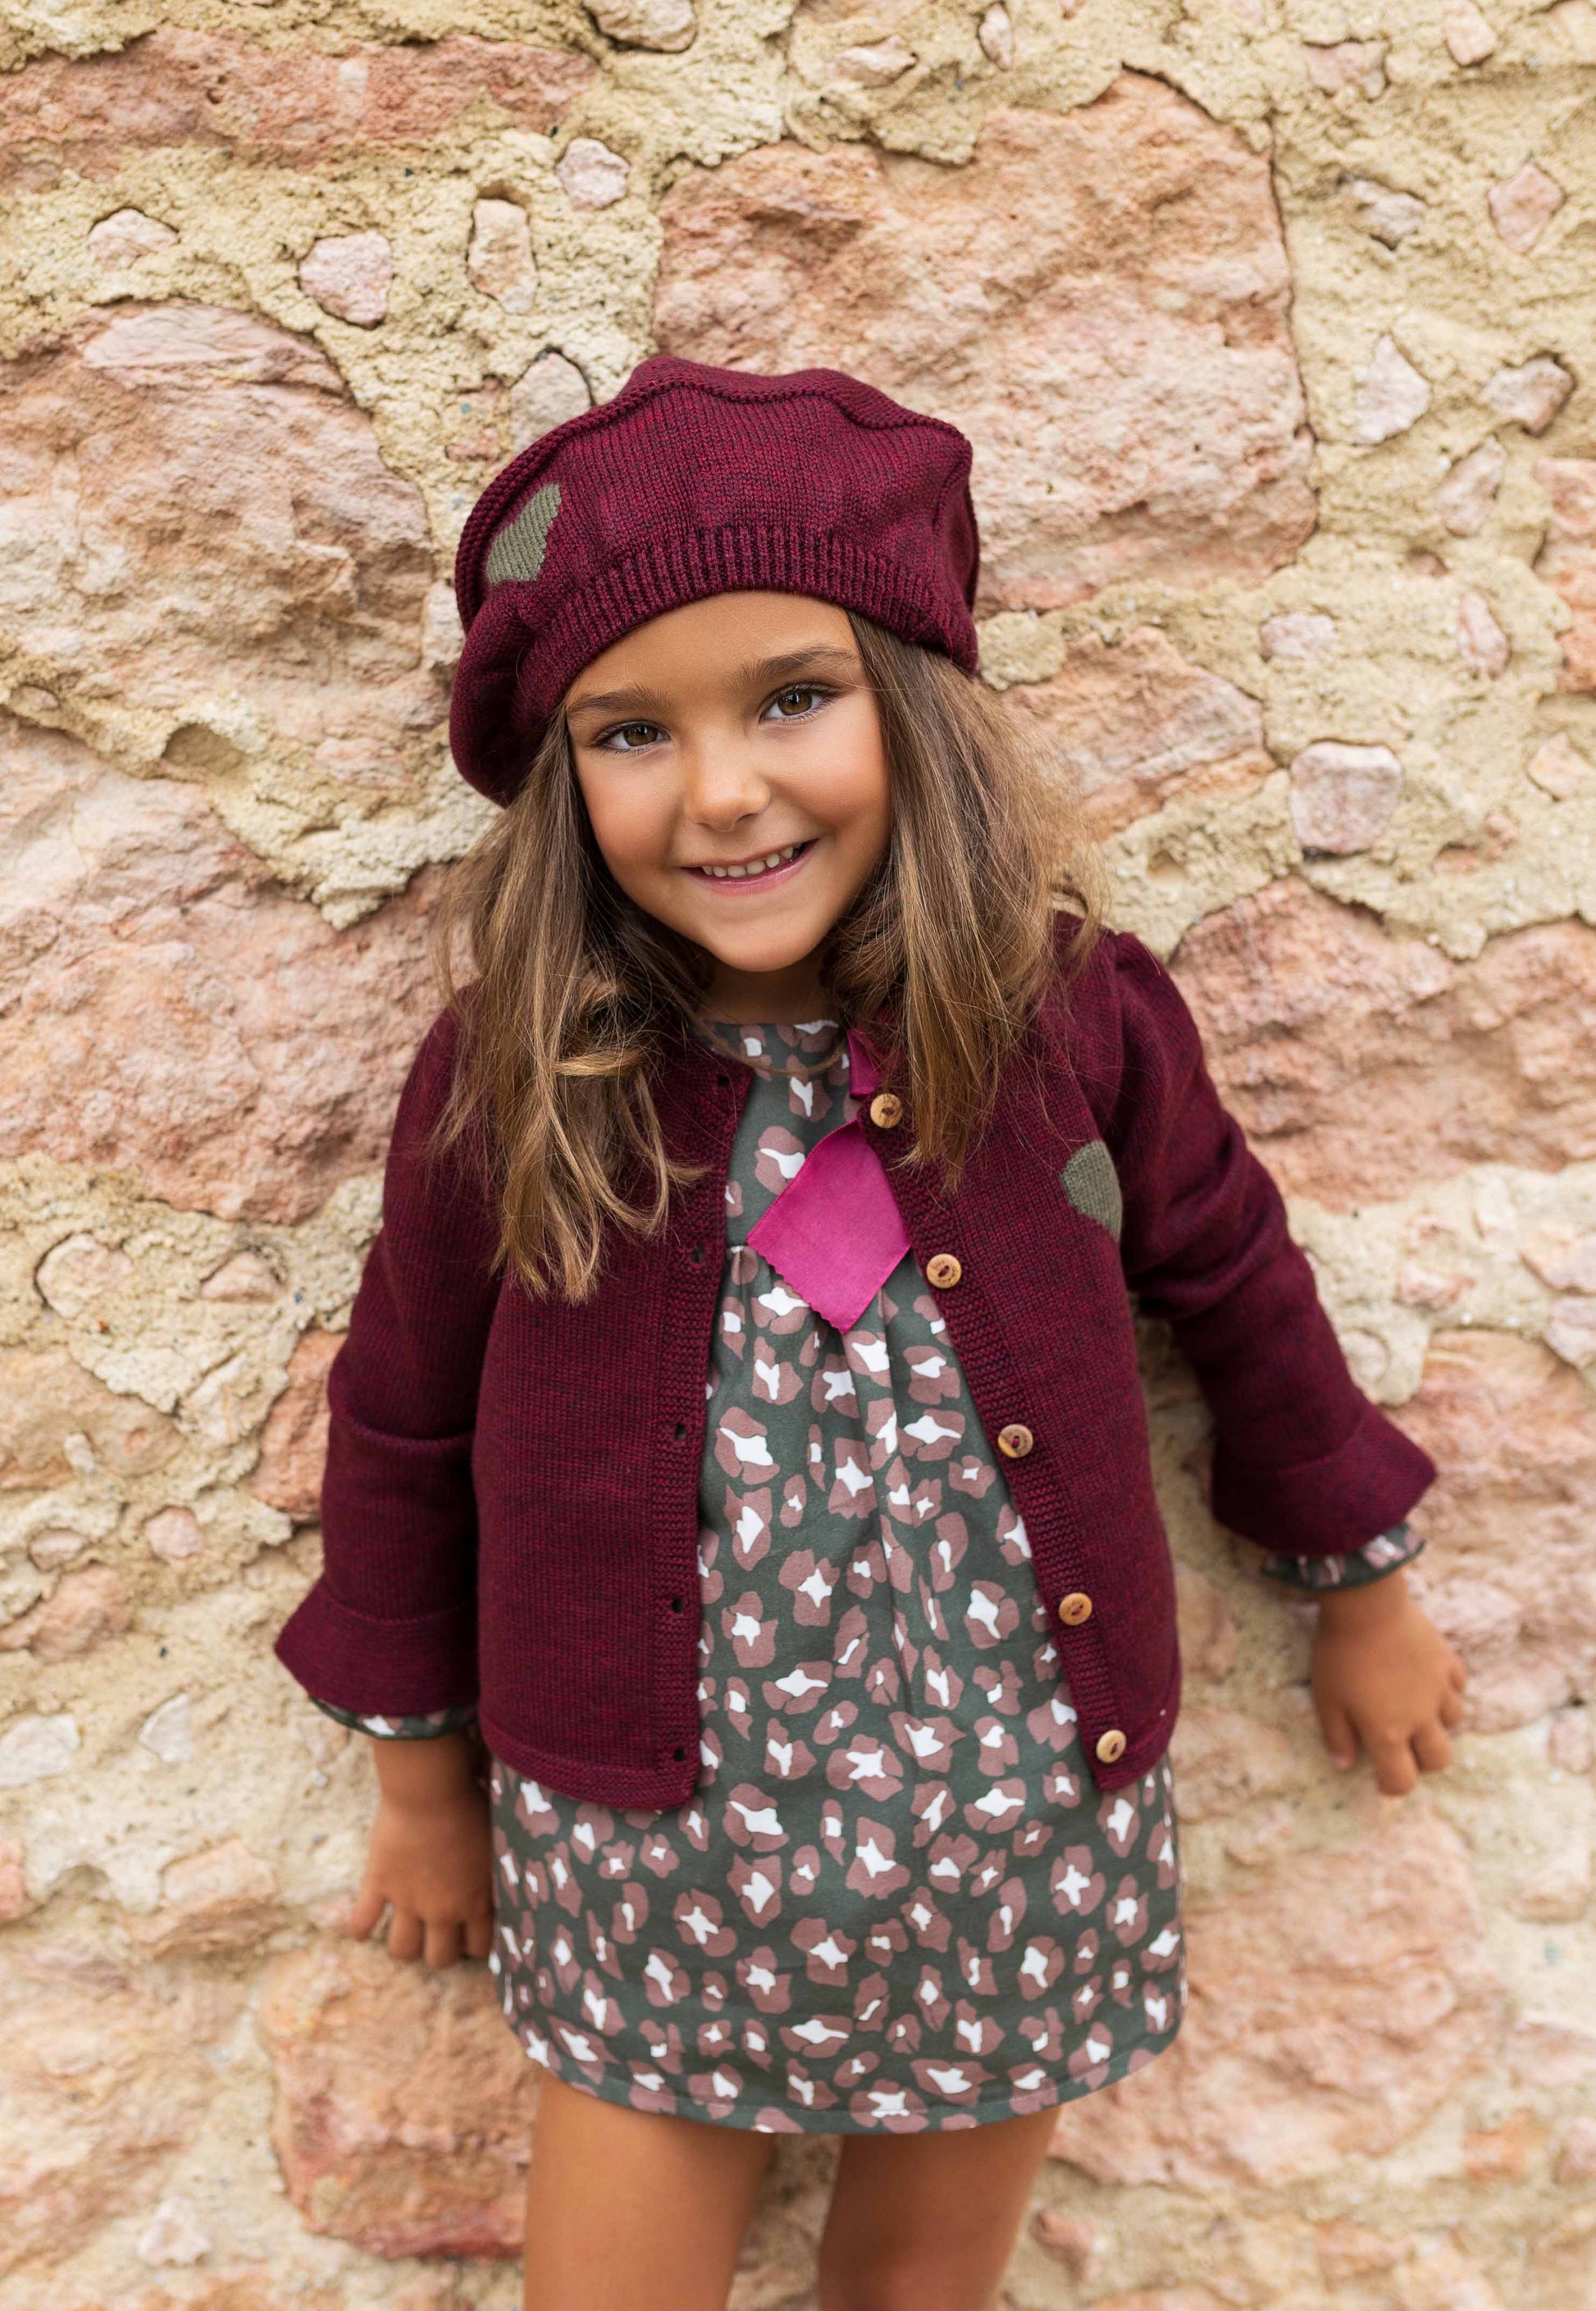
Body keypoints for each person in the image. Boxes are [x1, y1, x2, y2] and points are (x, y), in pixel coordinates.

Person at [273, 358, 1466, 2311]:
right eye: (633, 730)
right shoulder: (518, 1078)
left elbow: (1238, 1279)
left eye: (791, 698)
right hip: (652, 1838)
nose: (723, 789)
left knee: (919, 2289)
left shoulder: (1068, 1020)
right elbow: (402, 1415)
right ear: (563, 778)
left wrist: (1359, 1578)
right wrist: (422, 1783)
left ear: (912, 701)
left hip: (1019, 1814)